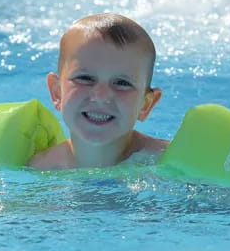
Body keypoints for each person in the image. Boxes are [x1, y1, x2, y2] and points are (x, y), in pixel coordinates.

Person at [28, 13, 169, 170]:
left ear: (146, 104)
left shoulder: (167, 161)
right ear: (57, 92)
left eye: (122, 83)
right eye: (85, 78)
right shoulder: (38, 169)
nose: (100, 96)